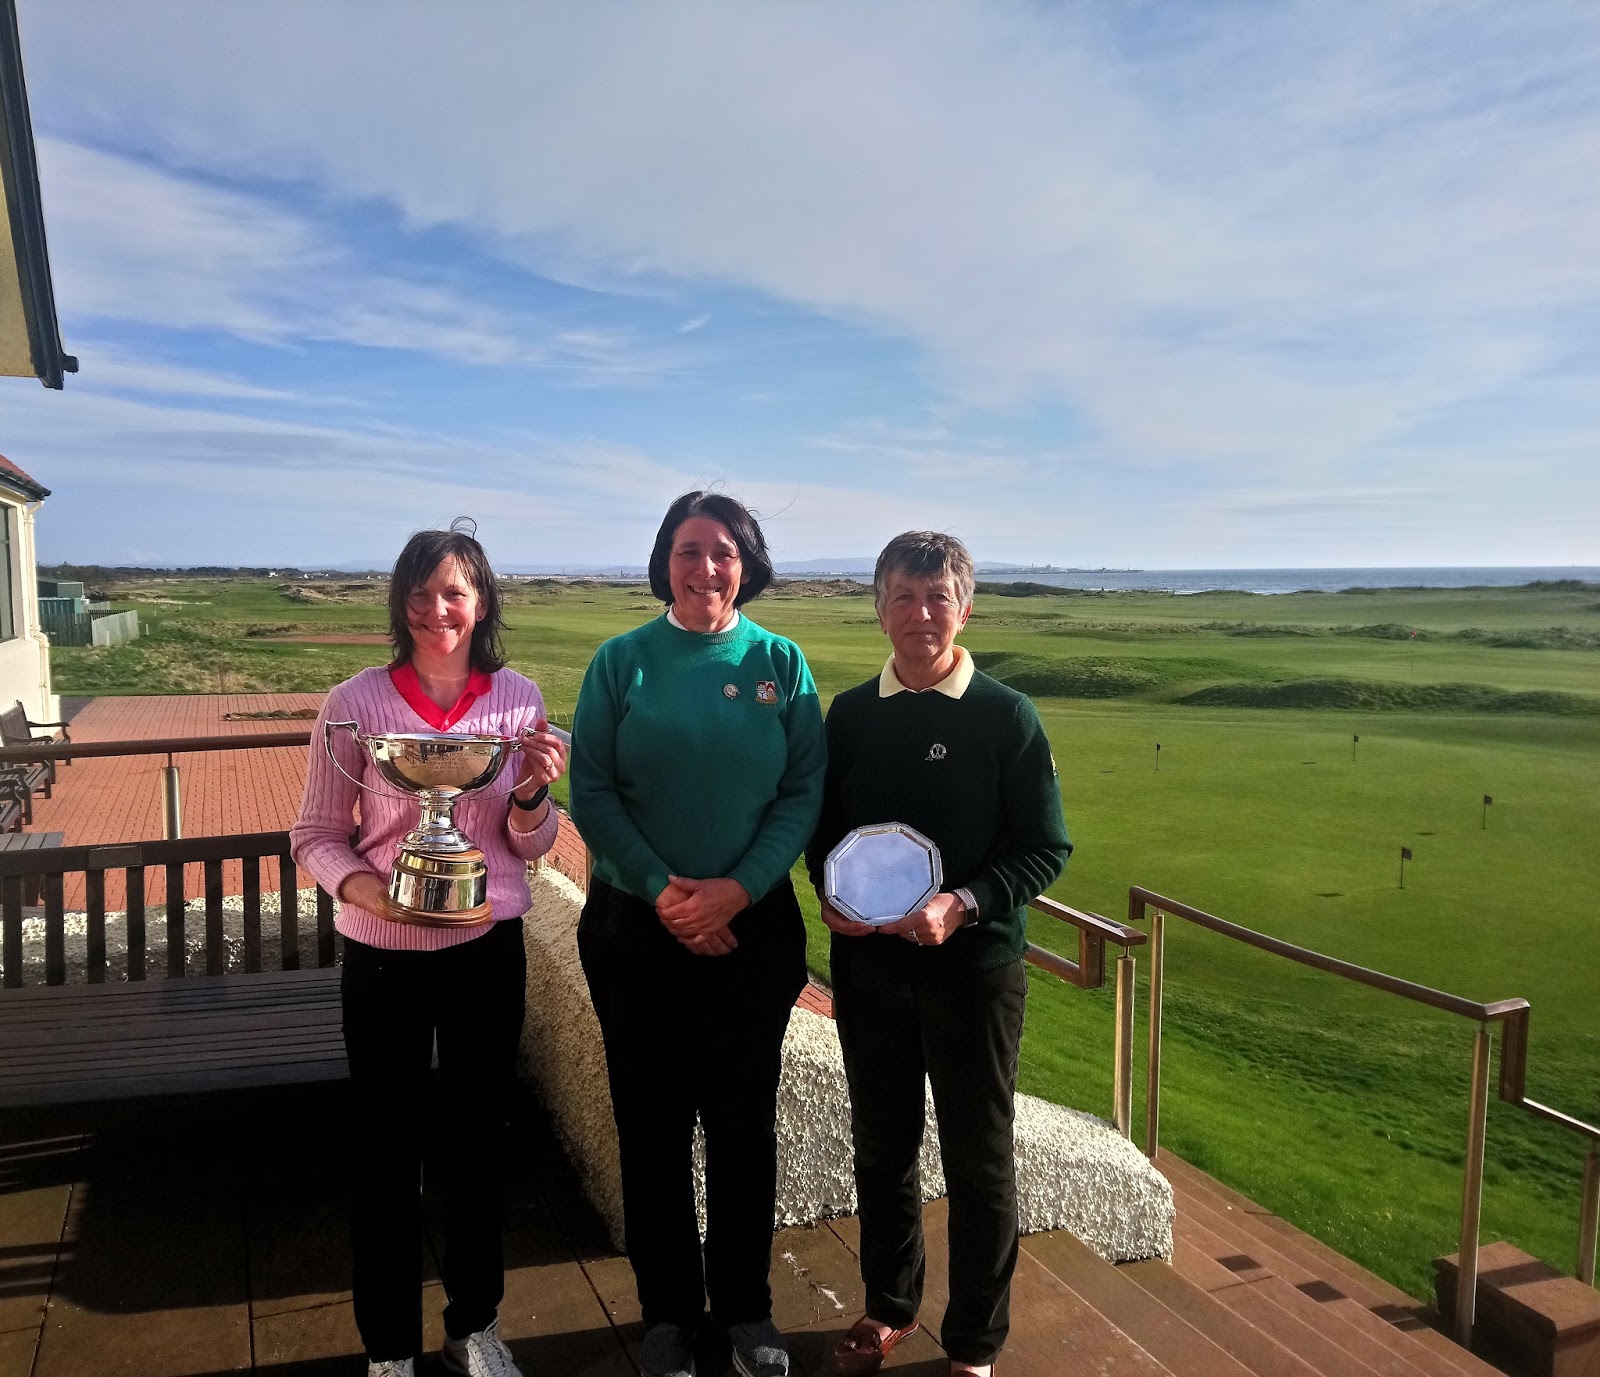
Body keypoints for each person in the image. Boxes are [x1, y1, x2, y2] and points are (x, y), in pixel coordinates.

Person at [291, 520, 568, 1377]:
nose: (436, 607)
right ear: (400, 602)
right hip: (382, 958)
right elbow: (314, 833)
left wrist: (528, 796)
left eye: (454, 590)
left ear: (481, 601)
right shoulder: (355, 703)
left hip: (488, 951)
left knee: (481, 1142)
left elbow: (535, 845)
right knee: (385, 1151)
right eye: (420, 590)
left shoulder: (518, 697)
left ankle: (473, 1324)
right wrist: (375, 893)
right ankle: (387, 1347)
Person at [569, 491, 825, 1377]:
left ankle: (747, 1308)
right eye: (688, 549)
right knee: (651, 1123)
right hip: (633, 933)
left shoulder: (781, 664)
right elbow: (591, 790)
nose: (705, 566)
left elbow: (801, 793)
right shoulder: (621, 662)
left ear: (747, 561)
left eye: (722, 550)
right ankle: (670, 1313)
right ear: (663, 561)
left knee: (745, 1123)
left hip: (753, 936)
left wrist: (738, 890)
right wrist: (664, 892)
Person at [805, 531, 1071, 1377]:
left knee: (978, 1155)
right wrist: (831, 898)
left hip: (975, 969)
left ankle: (974, 1343)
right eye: (904, 597)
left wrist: (966, 903)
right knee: (882, 1144)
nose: (921, 614)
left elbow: (1044, 847)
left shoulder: (1004, 714)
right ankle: (889, 1304)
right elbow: (822, 832)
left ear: (965, 606)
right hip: (872, 968)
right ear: (878, 607)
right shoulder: (849, 714)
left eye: (938, 596)